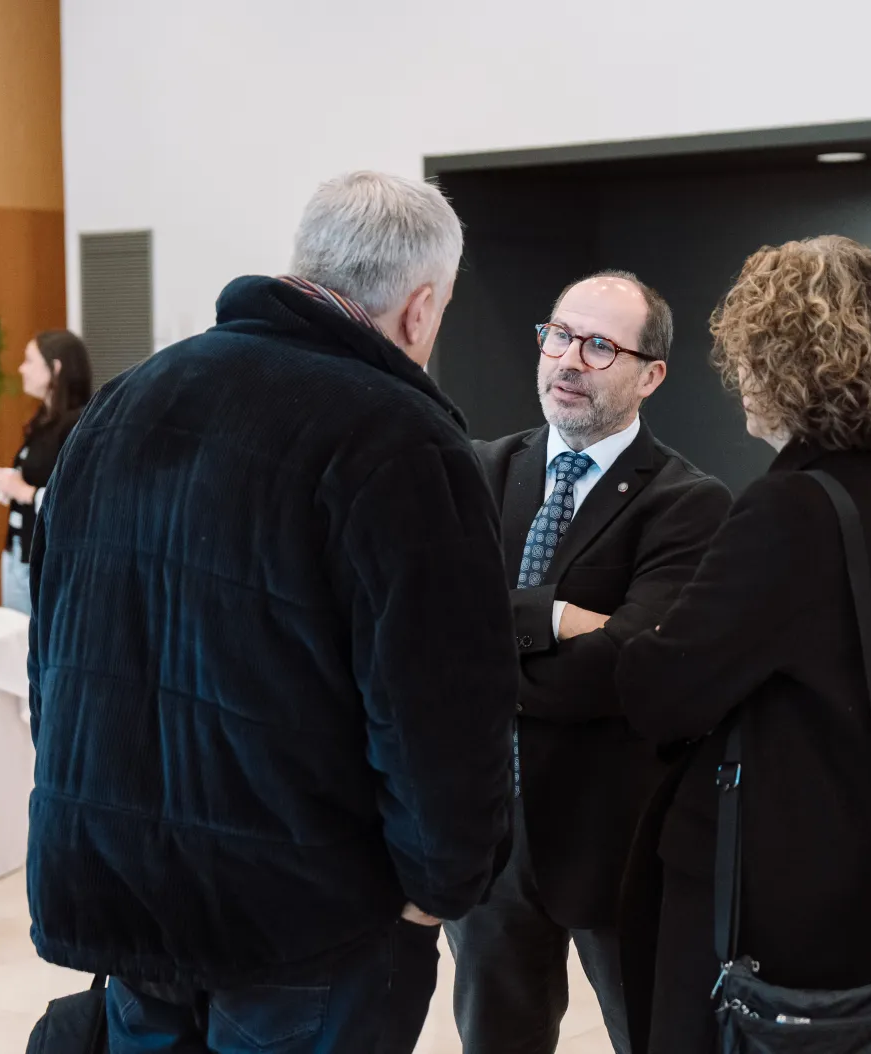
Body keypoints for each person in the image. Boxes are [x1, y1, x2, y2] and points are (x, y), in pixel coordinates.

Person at [26, 172, 520, 1054]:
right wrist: (436, 887)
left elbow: (52, 646)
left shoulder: (123, 403)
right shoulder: (402, 437)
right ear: (418, 308)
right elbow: (438, 705)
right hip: (305, 910)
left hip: (126, 887)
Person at [615, 235, 871, 1052]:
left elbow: (661, 690)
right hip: (861, 886)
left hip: (765, 899)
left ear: (781, 363)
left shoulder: (790, 509)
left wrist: (592, 628)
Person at [449, 273, 731, 1054]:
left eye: (600, 346)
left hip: (618, 841)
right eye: (559, 335)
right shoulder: (478, 470)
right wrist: (561, 618)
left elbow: (629, 666)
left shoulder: (687, 502)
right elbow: (432, 629)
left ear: (651, 375)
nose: (569, 360)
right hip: (487, 837)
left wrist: (487, 645)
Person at [0, 330, 92, 615]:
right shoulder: (43, 421)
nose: (21, 369)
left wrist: (24, 491)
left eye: (29, 361)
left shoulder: (78, 426)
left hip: (50, 558)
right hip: (22, 551)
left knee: (38, 647)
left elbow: (82, 500)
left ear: (55, 368)